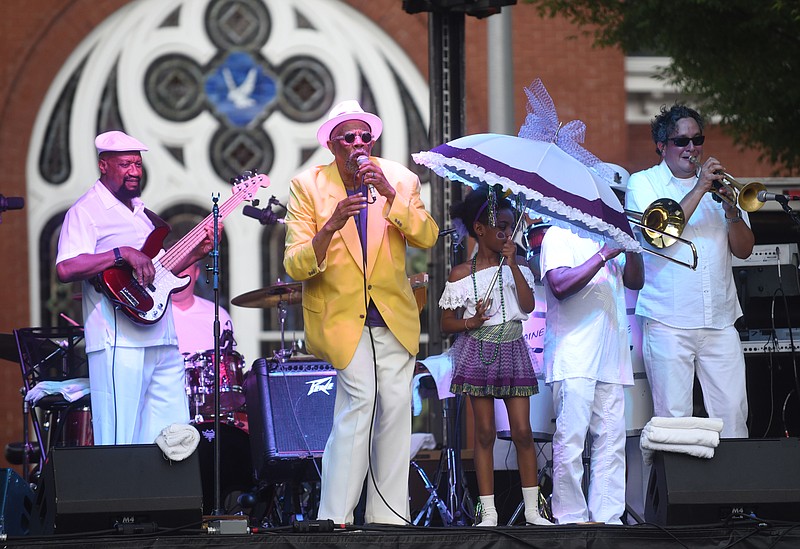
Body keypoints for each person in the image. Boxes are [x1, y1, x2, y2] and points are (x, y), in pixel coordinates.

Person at [283, 100, 439, 525]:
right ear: (332, 145)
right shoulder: (308, 185)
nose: (357, 145)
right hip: (339, 318)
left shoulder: (401, 179)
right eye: (348, 138)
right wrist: (330, 225)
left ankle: (387, 517)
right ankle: (336, 516)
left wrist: (390, 197)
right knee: (361, 400)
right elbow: (294, 263)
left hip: (393, 314)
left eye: (364, 137)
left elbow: (428, 236)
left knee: (395, 406)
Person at [56, 130, 218, 445]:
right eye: (125, 164)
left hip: (163, 337)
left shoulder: (142, 213)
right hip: (118, 341)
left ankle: (168, 495)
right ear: (103, 165)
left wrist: (198, 252)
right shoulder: (86, 211)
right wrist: (120, 253)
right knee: (121, 439)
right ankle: (118, 495)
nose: (134, 171)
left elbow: (157, 273)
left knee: (174, 439)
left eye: (138, 165)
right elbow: (66, 267)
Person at [626, 104, 755, 438]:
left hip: (721, 319)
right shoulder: (644, 183)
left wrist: (731, 210)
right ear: (661, 145)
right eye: (681, 141)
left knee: (734, 419)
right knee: (674, 423)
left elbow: (744, 249)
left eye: (697, 139)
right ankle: (673, 492)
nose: (691, 148)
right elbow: (659, 238)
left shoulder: (721, 188)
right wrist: (699, 188)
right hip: (668, 320)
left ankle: (731, 492)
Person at [440, 186, 552, 527]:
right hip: (478, 351)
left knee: (522, 432)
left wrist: (512, 263)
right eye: (499, 225)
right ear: (480, 230)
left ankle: (533, 510)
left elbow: (528, 306)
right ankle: (486, 511)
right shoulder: (461, 274)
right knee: (485, 433)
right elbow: (446, 323)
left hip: (513, 349)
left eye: (509, 225)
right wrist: (469, 321)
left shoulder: (516, 265)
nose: (505, 232)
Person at [539, 166, 644, 524]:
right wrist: (605, 253)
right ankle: (569, 519)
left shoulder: (612, 236)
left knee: (612, 443)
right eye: (610, 195)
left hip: (611, 358)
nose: (615, 202)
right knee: (570, 442)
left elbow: (635, 283)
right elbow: (559, 285)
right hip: (575, 356)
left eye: (619, 197)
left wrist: (632, 250)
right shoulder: (560, 233)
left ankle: (609, 518)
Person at [171, 259, 234, 356]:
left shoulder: (218, 315)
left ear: (196, 273)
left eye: (183, 268)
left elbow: (228, 364)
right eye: (173, 270)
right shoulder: (151, 315)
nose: (178, 276)